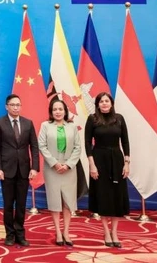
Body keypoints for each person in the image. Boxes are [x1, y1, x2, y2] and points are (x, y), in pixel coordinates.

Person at [0, 94, 39, 247]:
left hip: (24, 170)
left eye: (18, 105)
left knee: (21, 204)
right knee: (8, 204)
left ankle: (20, 234)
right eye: (13, 105)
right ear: (7, 106)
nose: (16, 107)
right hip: (6, 170)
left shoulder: (28, 123)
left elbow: (34, 147)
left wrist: (35, 167)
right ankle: (9, 234)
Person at [85, 92, 130, 248]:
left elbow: (125, 141)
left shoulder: (119, 118)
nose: (104, 103)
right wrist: (92, 164)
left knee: (117, 196)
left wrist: (127, 162)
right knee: (103, 197)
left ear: (111, 103)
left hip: (117, 160)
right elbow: (87, 143)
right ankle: (106, 232)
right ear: (97, 104)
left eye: (106, 101)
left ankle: (115, 232)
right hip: (99, 160)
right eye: (101, 101)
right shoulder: (92, 119)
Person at [37, 98, 81, 247]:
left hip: (69, 169)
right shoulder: (45, 126)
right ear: (51, 111)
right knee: (55, 201)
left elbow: (77, 147)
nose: (58, 112)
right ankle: (57, 232)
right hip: (52, 169)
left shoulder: (72, 126)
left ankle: (66, 232)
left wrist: (68, 165)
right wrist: (55, 163)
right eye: (55, 109)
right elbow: (41, 146)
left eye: (60, 109)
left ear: (65, 111)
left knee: (68, 202)